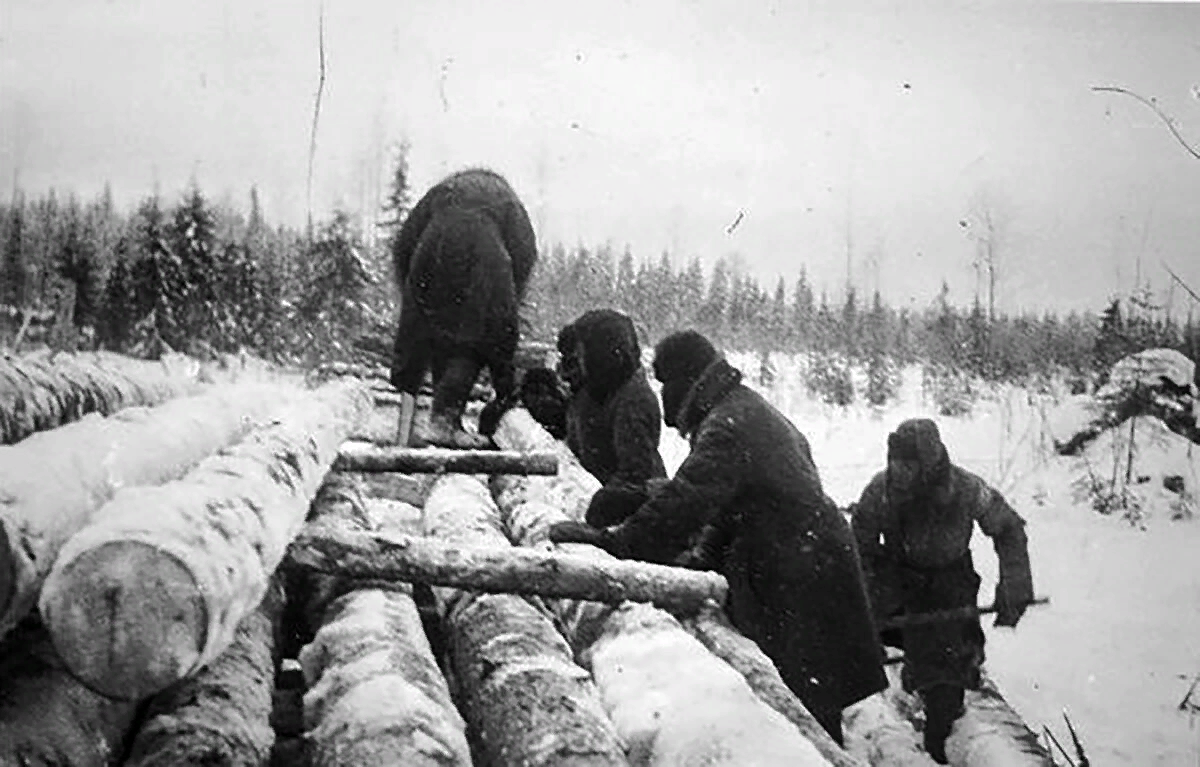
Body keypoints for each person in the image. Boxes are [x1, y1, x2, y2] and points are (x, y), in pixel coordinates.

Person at [548, 329, 886, 745]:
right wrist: (700, 558)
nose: (663, 397)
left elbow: (689, 497)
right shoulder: (738, 410)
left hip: (801, 573)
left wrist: (619, 544)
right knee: (802, 695)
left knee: (804, 708)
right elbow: (729, 505)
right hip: (802, 561)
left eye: (665, 383)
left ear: (685, 381)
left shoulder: (728, 425)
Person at [846, 417, 1034, 764]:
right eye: (894, 462)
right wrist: (871, 596)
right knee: (878, 654)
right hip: (899, 583)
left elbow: (1008, 528)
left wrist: (1015, 584)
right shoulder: (880, 489)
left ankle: (943, 732)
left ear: (928, 464)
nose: (898, 471)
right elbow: (860, 545)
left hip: (950, 584)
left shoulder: (966, 488)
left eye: (908, 464)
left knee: (947, 677)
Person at [389, 168, 537, 449]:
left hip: (429, 247)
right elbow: (523, 258)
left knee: (423, 339)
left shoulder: (445, 190)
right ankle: (445, 421)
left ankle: (405, 431)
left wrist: (412, 299)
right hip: (487, 256)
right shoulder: (509, 203)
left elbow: (404, 245)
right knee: (475, 346)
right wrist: (505, 319)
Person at [554, 309, 668, 527]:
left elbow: (635, 477)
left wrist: (601, 506)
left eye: (581, 353)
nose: (576, 360)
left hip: (623, 519)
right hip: (585, 491)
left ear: (599, 353)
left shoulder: (632, 400)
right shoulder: (600, 386)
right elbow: (580, 429)